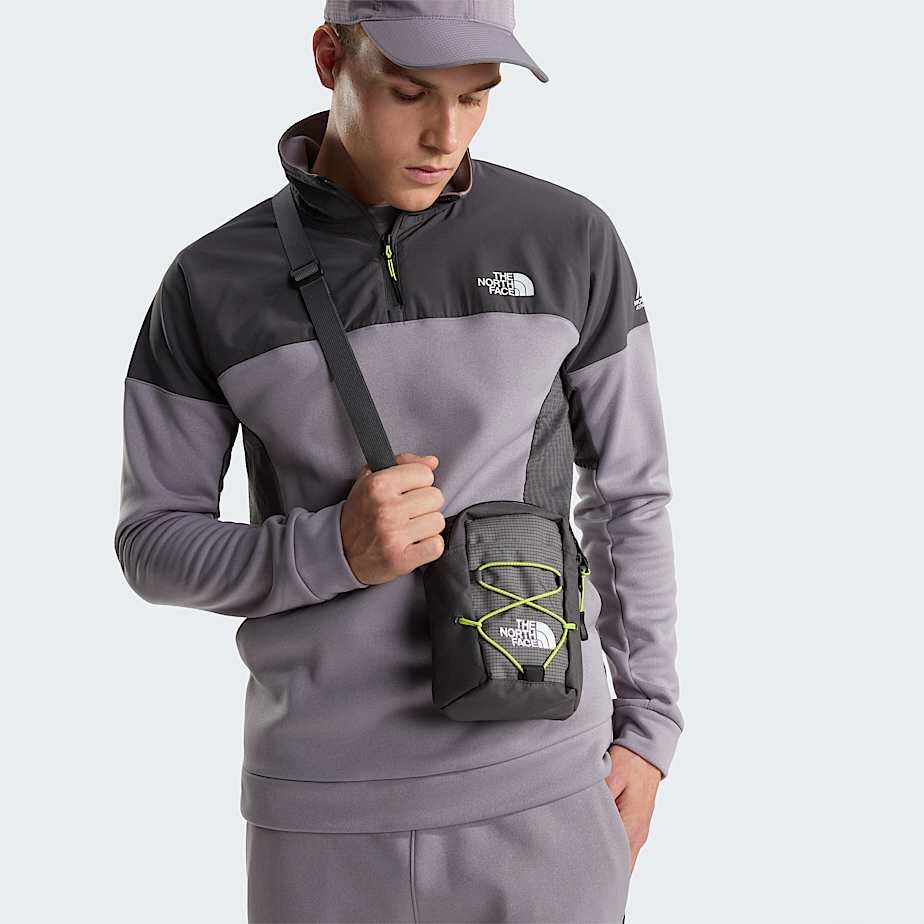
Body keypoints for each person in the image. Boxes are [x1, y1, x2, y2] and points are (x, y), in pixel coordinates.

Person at [113, 2, 683, 921]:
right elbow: (151, 542)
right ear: (329, 57)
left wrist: (649, 734)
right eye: (410, 93)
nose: (445, 135)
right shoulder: (211, 281)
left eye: (476, 97)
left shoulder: (570, 239)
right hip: (320, 815)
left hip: (547, 796)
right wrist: (329, 548)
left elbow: (631, 498)